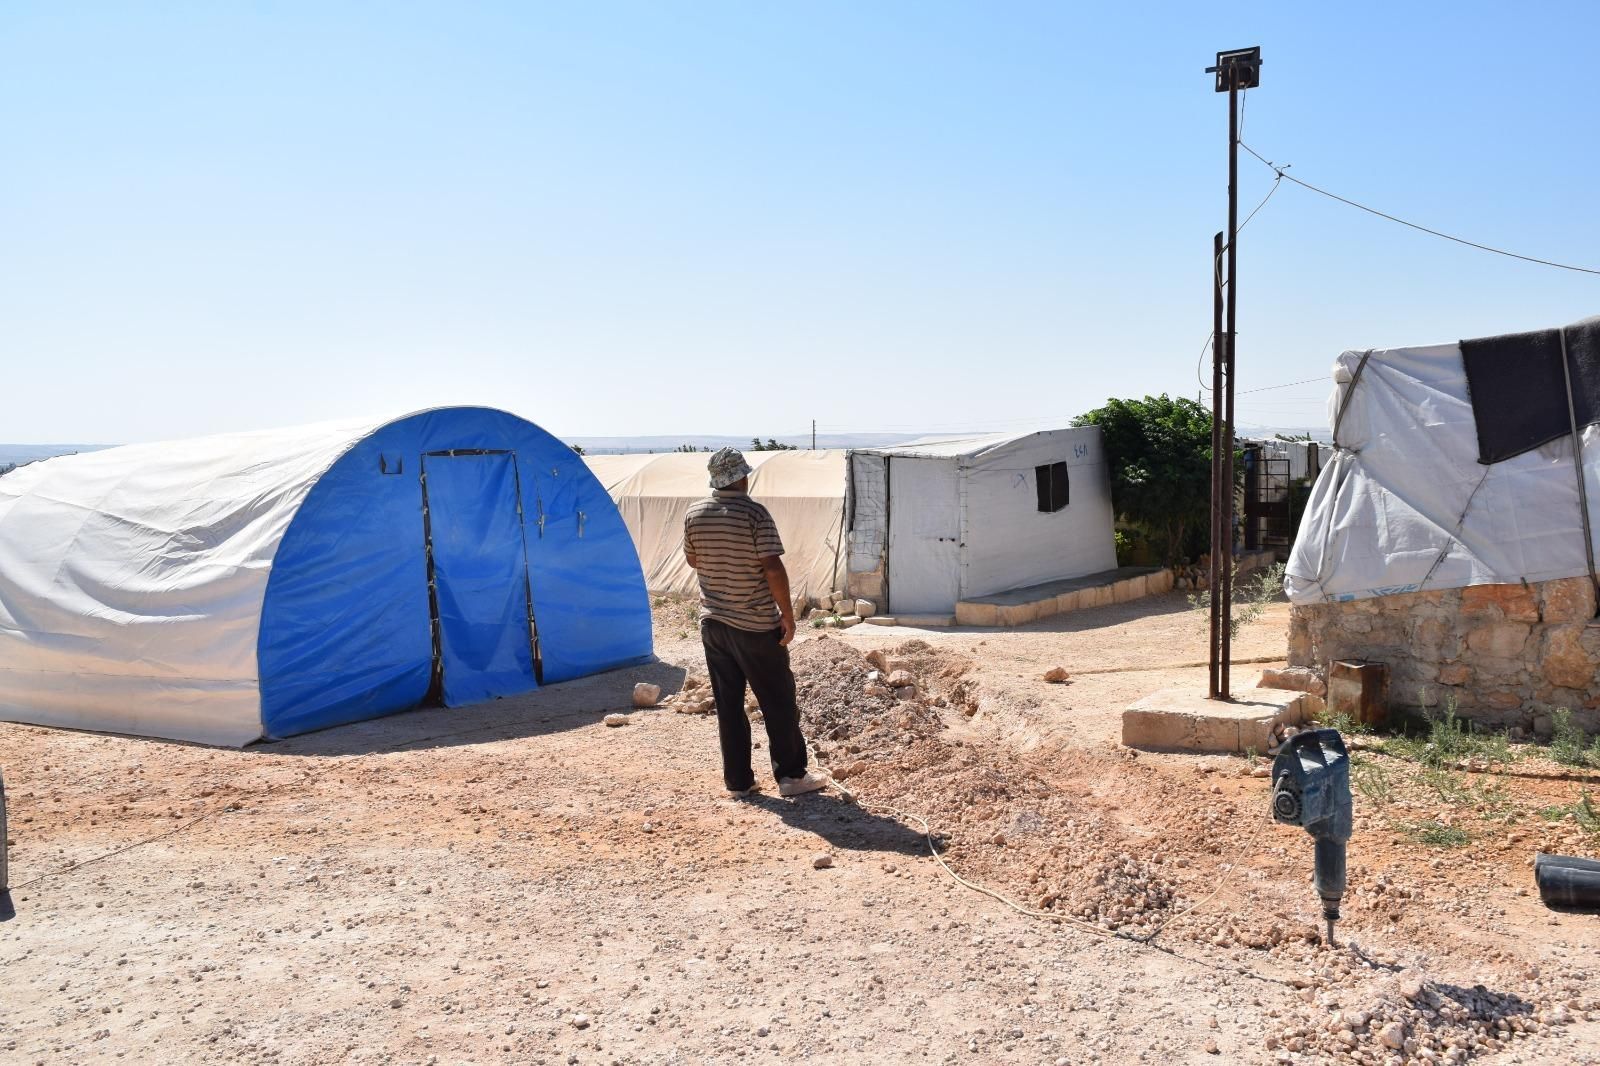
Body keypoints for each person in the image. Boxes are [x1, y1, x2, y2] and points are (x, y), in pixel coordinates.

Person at [683, 447, 828, 798]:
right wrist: (788, 616)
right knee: (777, 700)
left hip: (713, 624)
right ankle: (792, 777)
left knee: (729, 704)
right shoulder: (754, 513)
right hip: (755, 625)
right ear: (742, 476)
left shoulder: (695, 513)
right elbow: (772, 567)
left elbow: (692, 559)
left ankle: (738, 782)